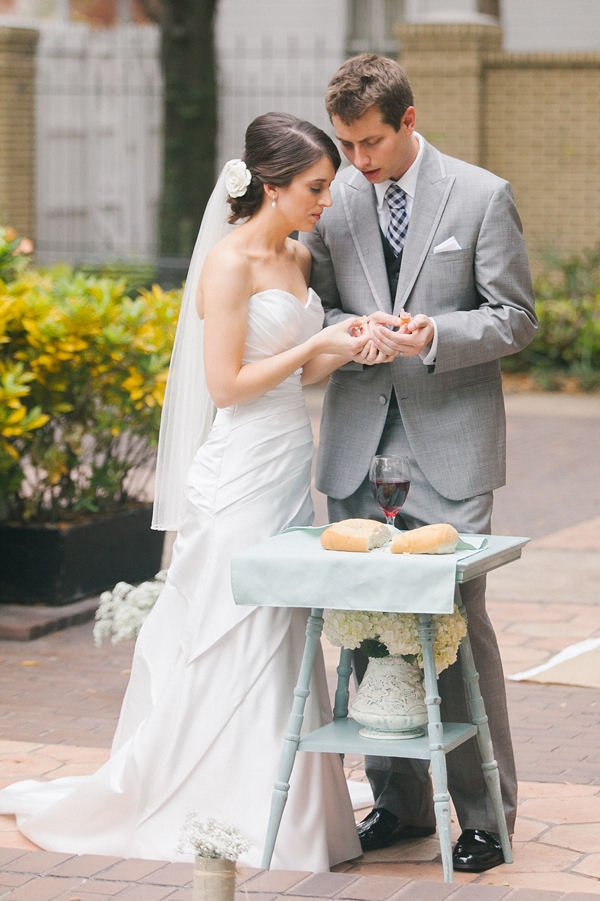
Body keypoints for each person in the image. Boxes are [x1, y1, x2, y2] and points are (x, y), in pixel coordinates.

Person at [0, 112, 367, 872]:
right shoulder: (228, 264)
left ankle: (288, 810)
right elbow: (227, 386)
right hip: (236, 474)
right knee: (227, 627)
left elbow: (302, 374)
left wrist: (351, 347)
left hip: (285, 466)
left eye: (327, 187)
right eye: (315, 187)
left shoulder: (299, 258)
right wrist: (316, 342)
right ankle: (204, 794)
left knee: (283, 629)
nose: (325, 200)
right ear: (271, 185)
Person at [302, 54, 537, 874]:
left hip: (452, 444)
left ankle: (485, 815)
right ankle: (396, 805)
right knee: (364, 624)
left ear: (408, 119)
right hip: (356, 441)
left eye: (370, 142)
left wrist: (437, 334)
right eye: (345, 144)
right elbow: (320, 306)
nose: (357, 162)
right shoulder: (333, 203)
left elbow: (516, 318)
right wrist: (350, 333)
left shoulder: (481, 194)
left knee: (455, 626)